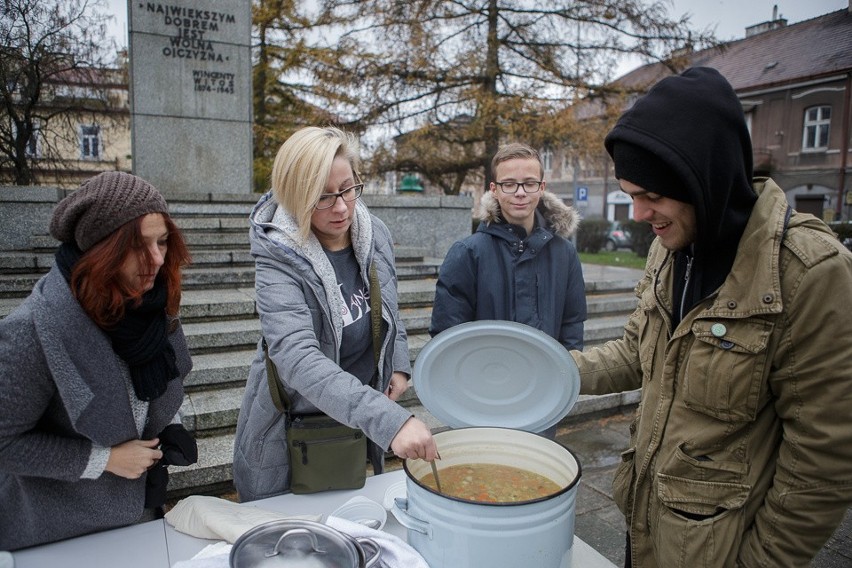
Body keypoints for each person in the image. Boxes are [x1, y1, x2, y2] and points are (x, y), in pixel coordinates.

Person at [570, 66, 852, 567]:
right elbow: (639, 351)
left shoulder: (808, 273)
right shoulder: (671, 246)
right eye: (631, 195)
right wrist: (551, 371)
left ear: (705, 180)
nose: (637, 215)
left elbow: (823, 461)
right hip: (650, 529)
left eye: (651, 197)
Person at [232, 126, 438, 501]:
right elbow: (296, 357)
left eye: (347, 188)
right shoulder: (277, 257)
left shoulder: (373, 232)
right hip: (294, 426)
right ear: (296, 197)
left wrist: (397, 361)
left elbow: (389, 306)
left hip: (354, 417)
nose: (342, 207)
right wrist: (388, 421)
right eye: (323, 197)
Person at [0, 171, 196, 551]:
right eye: (139, 245)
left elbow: (164, 381)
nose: (157, 259)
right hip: (57, 535)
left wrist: (170, 424)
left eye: (162, 242)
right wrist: (103, 460)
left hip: (137, 517)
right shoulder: (33, 330)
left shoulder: (155, 309)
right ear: (100, 249)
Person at [429, 143, 587, 352]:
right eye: (509, 184)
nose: (520, 193)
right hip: (485, 379)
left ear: (542, 187)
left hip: (548, 380)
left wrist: (566, 377)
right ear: (494, 189)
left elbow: (572, 325)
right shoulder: (467, 253)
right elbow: (448, 332)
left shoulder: (564, 253)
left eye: (529, 183)